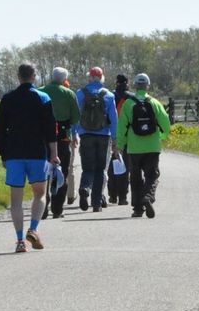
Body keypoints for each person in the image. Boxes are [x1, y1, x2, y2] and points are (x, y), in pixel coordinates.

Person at [0, 63, 59, 252]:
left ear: (18, 77)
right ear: (34, 76)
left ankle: (20, 240)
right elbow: (50, 129)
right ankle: (34, 229)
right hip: (37, 153)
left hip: (14, 153)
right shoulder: (43, 97)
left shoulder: (8, 99)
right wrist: (54, 154)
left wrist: (3, 154)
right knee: (40, 194)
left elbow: (0, 129)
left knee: (16, 200)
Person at [116, 72, 171, 218]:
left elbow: (122, 127)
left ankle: (138, 208)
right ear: (148, 86)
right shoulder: (154, 103)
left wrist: (119, 146)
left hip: (134, 148)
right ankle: (148, 196)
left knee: (135, 177)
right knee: (152, 175)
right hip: (152, 146)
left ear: (135, 85)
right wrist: (162, 136)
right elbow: (166, 123)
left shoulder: (128, 104)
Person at [74, 66, 119, 212]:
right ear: (102, 78)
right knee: (100, 169)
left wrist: (73, 133)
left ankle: (84, 187)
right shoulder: (109, 95)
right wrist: (115, 139)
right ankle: (96, 203)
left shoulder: (80, 93)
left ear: (89, 77)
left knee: (87, 167)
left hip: (85, 135)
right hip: (103, 135)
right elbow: (114, 119)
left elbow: (75, 116)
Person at [39, 67, 80, 219]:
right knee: (61, 171)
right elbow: (76, 118)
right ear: (64, 80)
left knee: (43, 172)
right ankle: (57, 209)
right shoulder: (69, 93)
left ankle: (42, 206)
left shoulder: (39, 91)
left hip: (42, 138)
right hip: (62, 138)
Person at [107, 74, 131, 206]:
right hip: (128, 135)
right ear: (127, 83)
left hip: (112, 134)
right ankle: (123, 197)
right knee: (125, 166)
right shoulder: (130, 96)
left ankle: (112, 195)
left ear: (116, 82)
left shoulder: (111, 95)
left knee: (113, 165)